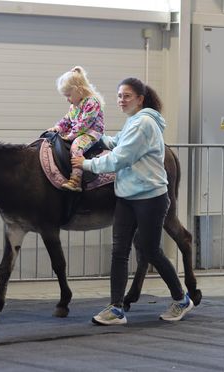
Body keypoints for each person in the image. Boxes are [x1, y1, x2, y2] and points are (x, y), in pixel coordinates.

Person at [72, 77, 194, 325]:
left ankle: (181, 299)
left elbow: (120, 158)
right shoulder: (133, 122)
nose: (121, 100)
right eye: (119, 96)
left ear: (140, 98)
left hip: (150, 198)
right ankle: (116, 308)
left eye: (127, 96)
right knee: (119, 252)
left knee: (151, 251)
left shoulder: (144, 123)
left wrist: (85, 164)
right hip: (127, 197)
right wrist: (94, 136)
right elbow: (117, 144)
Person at [46, 66, 105, 192]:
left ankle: (76, 179)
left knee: (76, 146)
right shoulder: (74, 105)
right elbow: (67, 119)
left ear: (78, 90)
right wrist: (58, 127)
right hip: (79, 130)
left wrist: (71, 136)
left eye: (68, 95)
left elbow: (85, 123)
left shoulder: (92, 102)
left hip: (91, 132)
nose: (67, 99)